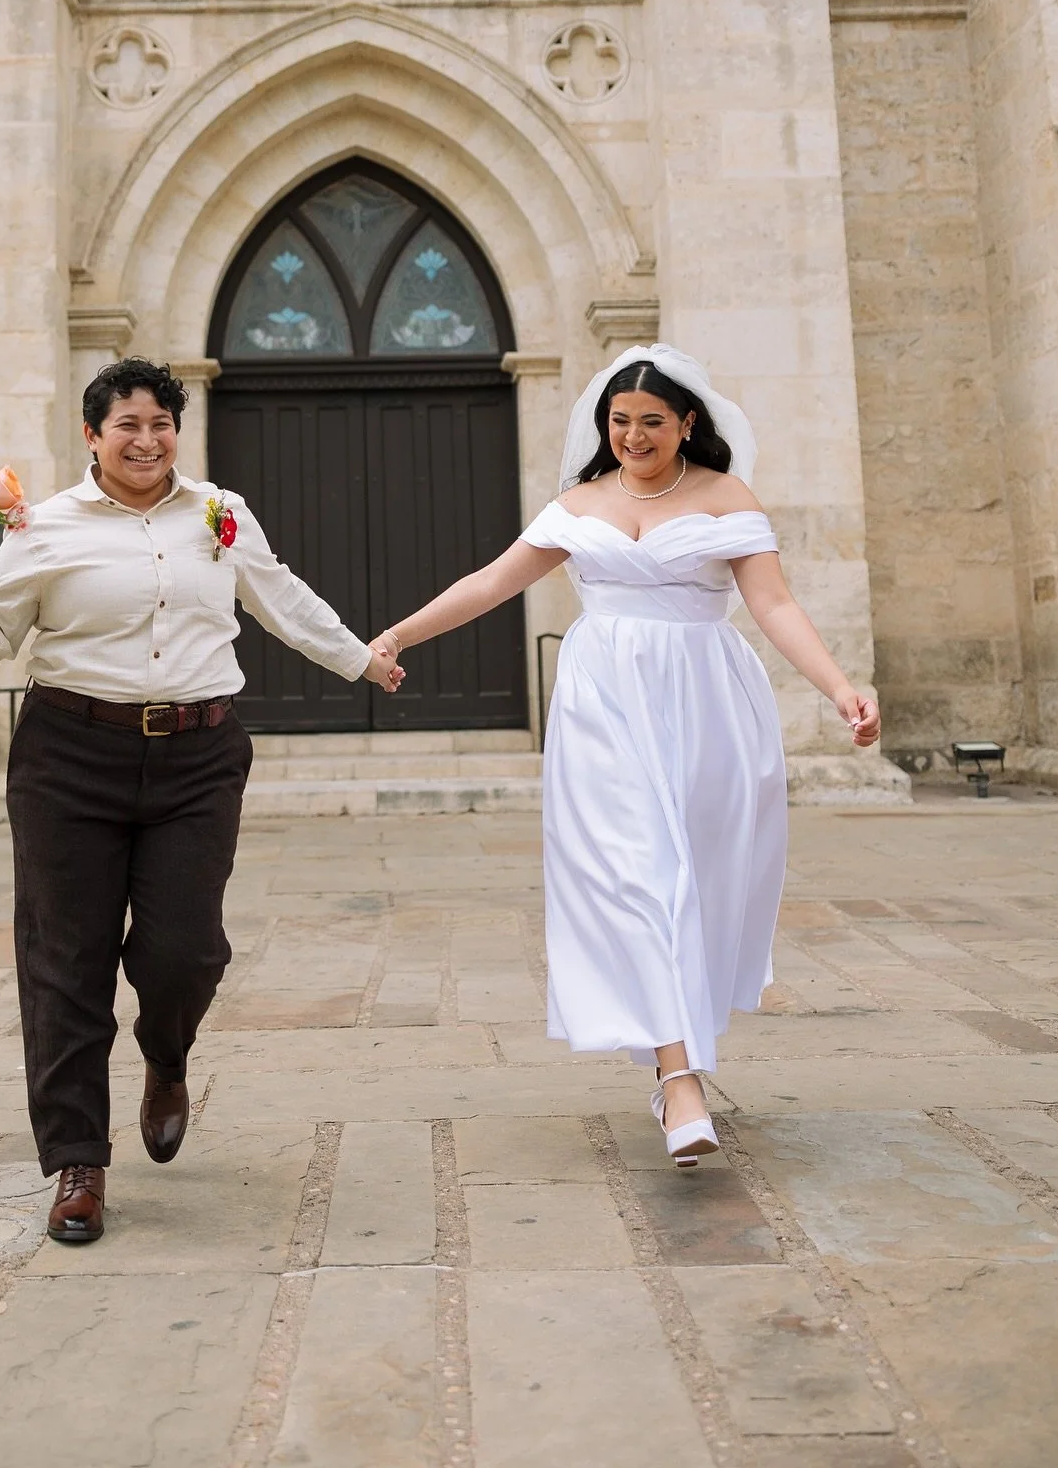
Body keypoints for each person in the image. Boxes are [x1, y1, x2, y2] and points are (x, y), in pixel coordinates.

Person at [0, 358, 402, 1242]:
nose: (147, 440)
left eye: (161, 423)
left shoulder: (219, 514)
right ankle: (77, 1162)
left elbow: (280, 598)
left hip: (198, 756)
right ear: (93, 435)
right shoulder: (42, 527)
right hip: (69, 757)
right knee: (65, 961)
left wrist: (359, 657)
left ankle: (167, 1056)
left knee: (186, 949)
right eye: (127, 424)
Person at [370, 344, 880, 1169]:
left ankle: (672, 1052)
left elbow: (774, 604)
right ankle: (681, 1082)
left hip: (705, 703)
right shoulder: (579, 503)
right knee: (643, 876)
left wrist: (839, 687)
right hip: (604, 707)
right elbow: (491, 583)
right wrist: (394, 636)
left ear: (686, 423)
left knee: (695, 883)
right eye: (619, 421)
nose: (633, 436)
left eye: (651, 421)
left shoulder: (725, 498)